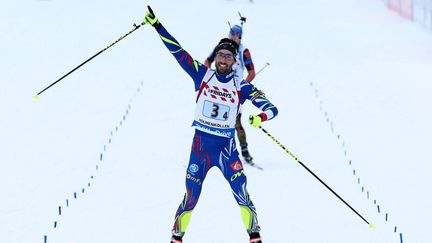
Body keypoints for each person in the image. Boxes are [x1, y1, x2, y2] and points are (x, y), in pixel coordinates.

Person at [143, 6, 278, 243]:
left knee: (242, 196)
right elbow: (177, 51)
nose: (223, 59)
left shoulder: (241, 86)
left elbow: (271, 108)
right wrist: (157, 26)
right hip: (201, 150)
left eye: (228, 56)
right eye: (220, 55)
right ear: (214, 58)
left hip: (227, 152)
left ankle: (255, 238)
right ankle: (176, 238)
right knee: (190, 198)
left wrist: (260, 118)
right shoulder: (202, 75)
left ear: (235, 60)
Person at [204, 24, 257, 165]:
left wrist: (242, 86)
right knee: (213, 119)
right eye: (231, 34)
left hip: (234, 92)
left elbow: (252, 72)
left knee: (236, 122)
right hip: (218, 89)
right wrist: (206, 78)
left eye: (235, 35)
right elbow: (207, 61)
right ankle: (209, 151)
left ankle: (244, 151)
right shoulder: (221, 47)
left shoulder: (243, 51)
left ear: (240, 37)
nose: (232, 37)